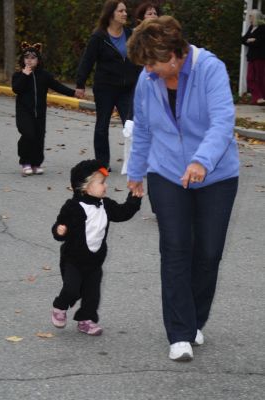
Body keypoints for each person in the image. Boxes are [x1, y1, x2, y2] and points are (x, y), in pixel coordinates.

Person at [126, 16, 239, 361]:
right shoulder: (147, 80)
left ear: (175, 54)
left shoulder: (210, 69)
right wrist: (135, 171)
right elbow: (142, 128)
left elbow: (223, 121)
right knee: (175, 248)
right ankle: (179, 333)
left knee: (208, 252)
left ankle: (194, 321)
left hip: (215, 174)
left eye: (153, 61)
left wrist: (202, 161)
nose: (148, 69)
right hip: (166, 172)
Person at [51, 159, 141, 335]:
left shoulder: (105, 205)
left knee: (92, 294)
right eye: (101, 183)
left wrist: (134, 199)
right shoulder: (73, 207)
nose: (105, 187)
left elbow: (123, 213)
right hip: (73, 260)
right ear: (85, 187)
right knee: (72, 289)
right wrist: (59, 231)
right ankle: (60, 305)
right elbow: (60, 226)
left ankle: (86, 319)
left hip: (94, 261)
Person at [76, 0, 141, 170]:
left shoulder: (130, 33)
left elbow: (138, 58)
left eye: (125, 11)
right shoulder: (99, 37)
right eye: (121, 11)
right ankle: (102, 163)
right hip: (105, 88)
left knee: (131, 124)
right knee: (102, 125)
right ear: (111, 14)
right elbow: (87, 60)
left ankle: (134, 161)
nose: (125, 14)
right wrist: (80, 84)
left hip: (127, 88)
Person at [12, 42, 78, 177]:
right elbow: (16, 89)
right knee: (28, 134)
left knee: (39, 137)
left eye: (33, 57)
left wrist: (74, 93)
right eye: (27, 57)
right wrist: (25, 74)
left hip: (40, 114)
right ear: (23, 60)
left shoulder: (44, 75)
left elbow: (57, 86)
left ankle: (36, 163)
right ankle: (25, 162)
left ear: (38, 60)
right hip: (24, 112)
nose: (30, 60)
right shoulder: (18, 75)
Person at [121, 1, 161, 175]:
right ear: (140, 19)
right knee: (138, 127)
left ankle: (158, 163)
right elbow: (132, 63)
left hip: (160, 84)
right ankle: (137, 164)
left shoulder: (165, 35)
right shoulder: (135, 37)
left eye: (155, 13)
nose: (152, 16)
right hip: (140, 84)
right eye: (149, 13)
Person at [241, 9, 265, 105]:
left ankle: (261, 98)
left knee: (260, 77)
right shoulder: (251, 27)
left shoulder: (263, 28)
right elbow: (243, 39)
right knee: (250, 78)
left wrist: (253, 41)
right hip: (251, 56)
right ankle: (258, 97)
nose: (249, 18)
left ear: (255, 17)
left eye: (251, 16)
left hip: (260, 56)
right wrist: (250, 40)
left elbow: (261, 42)